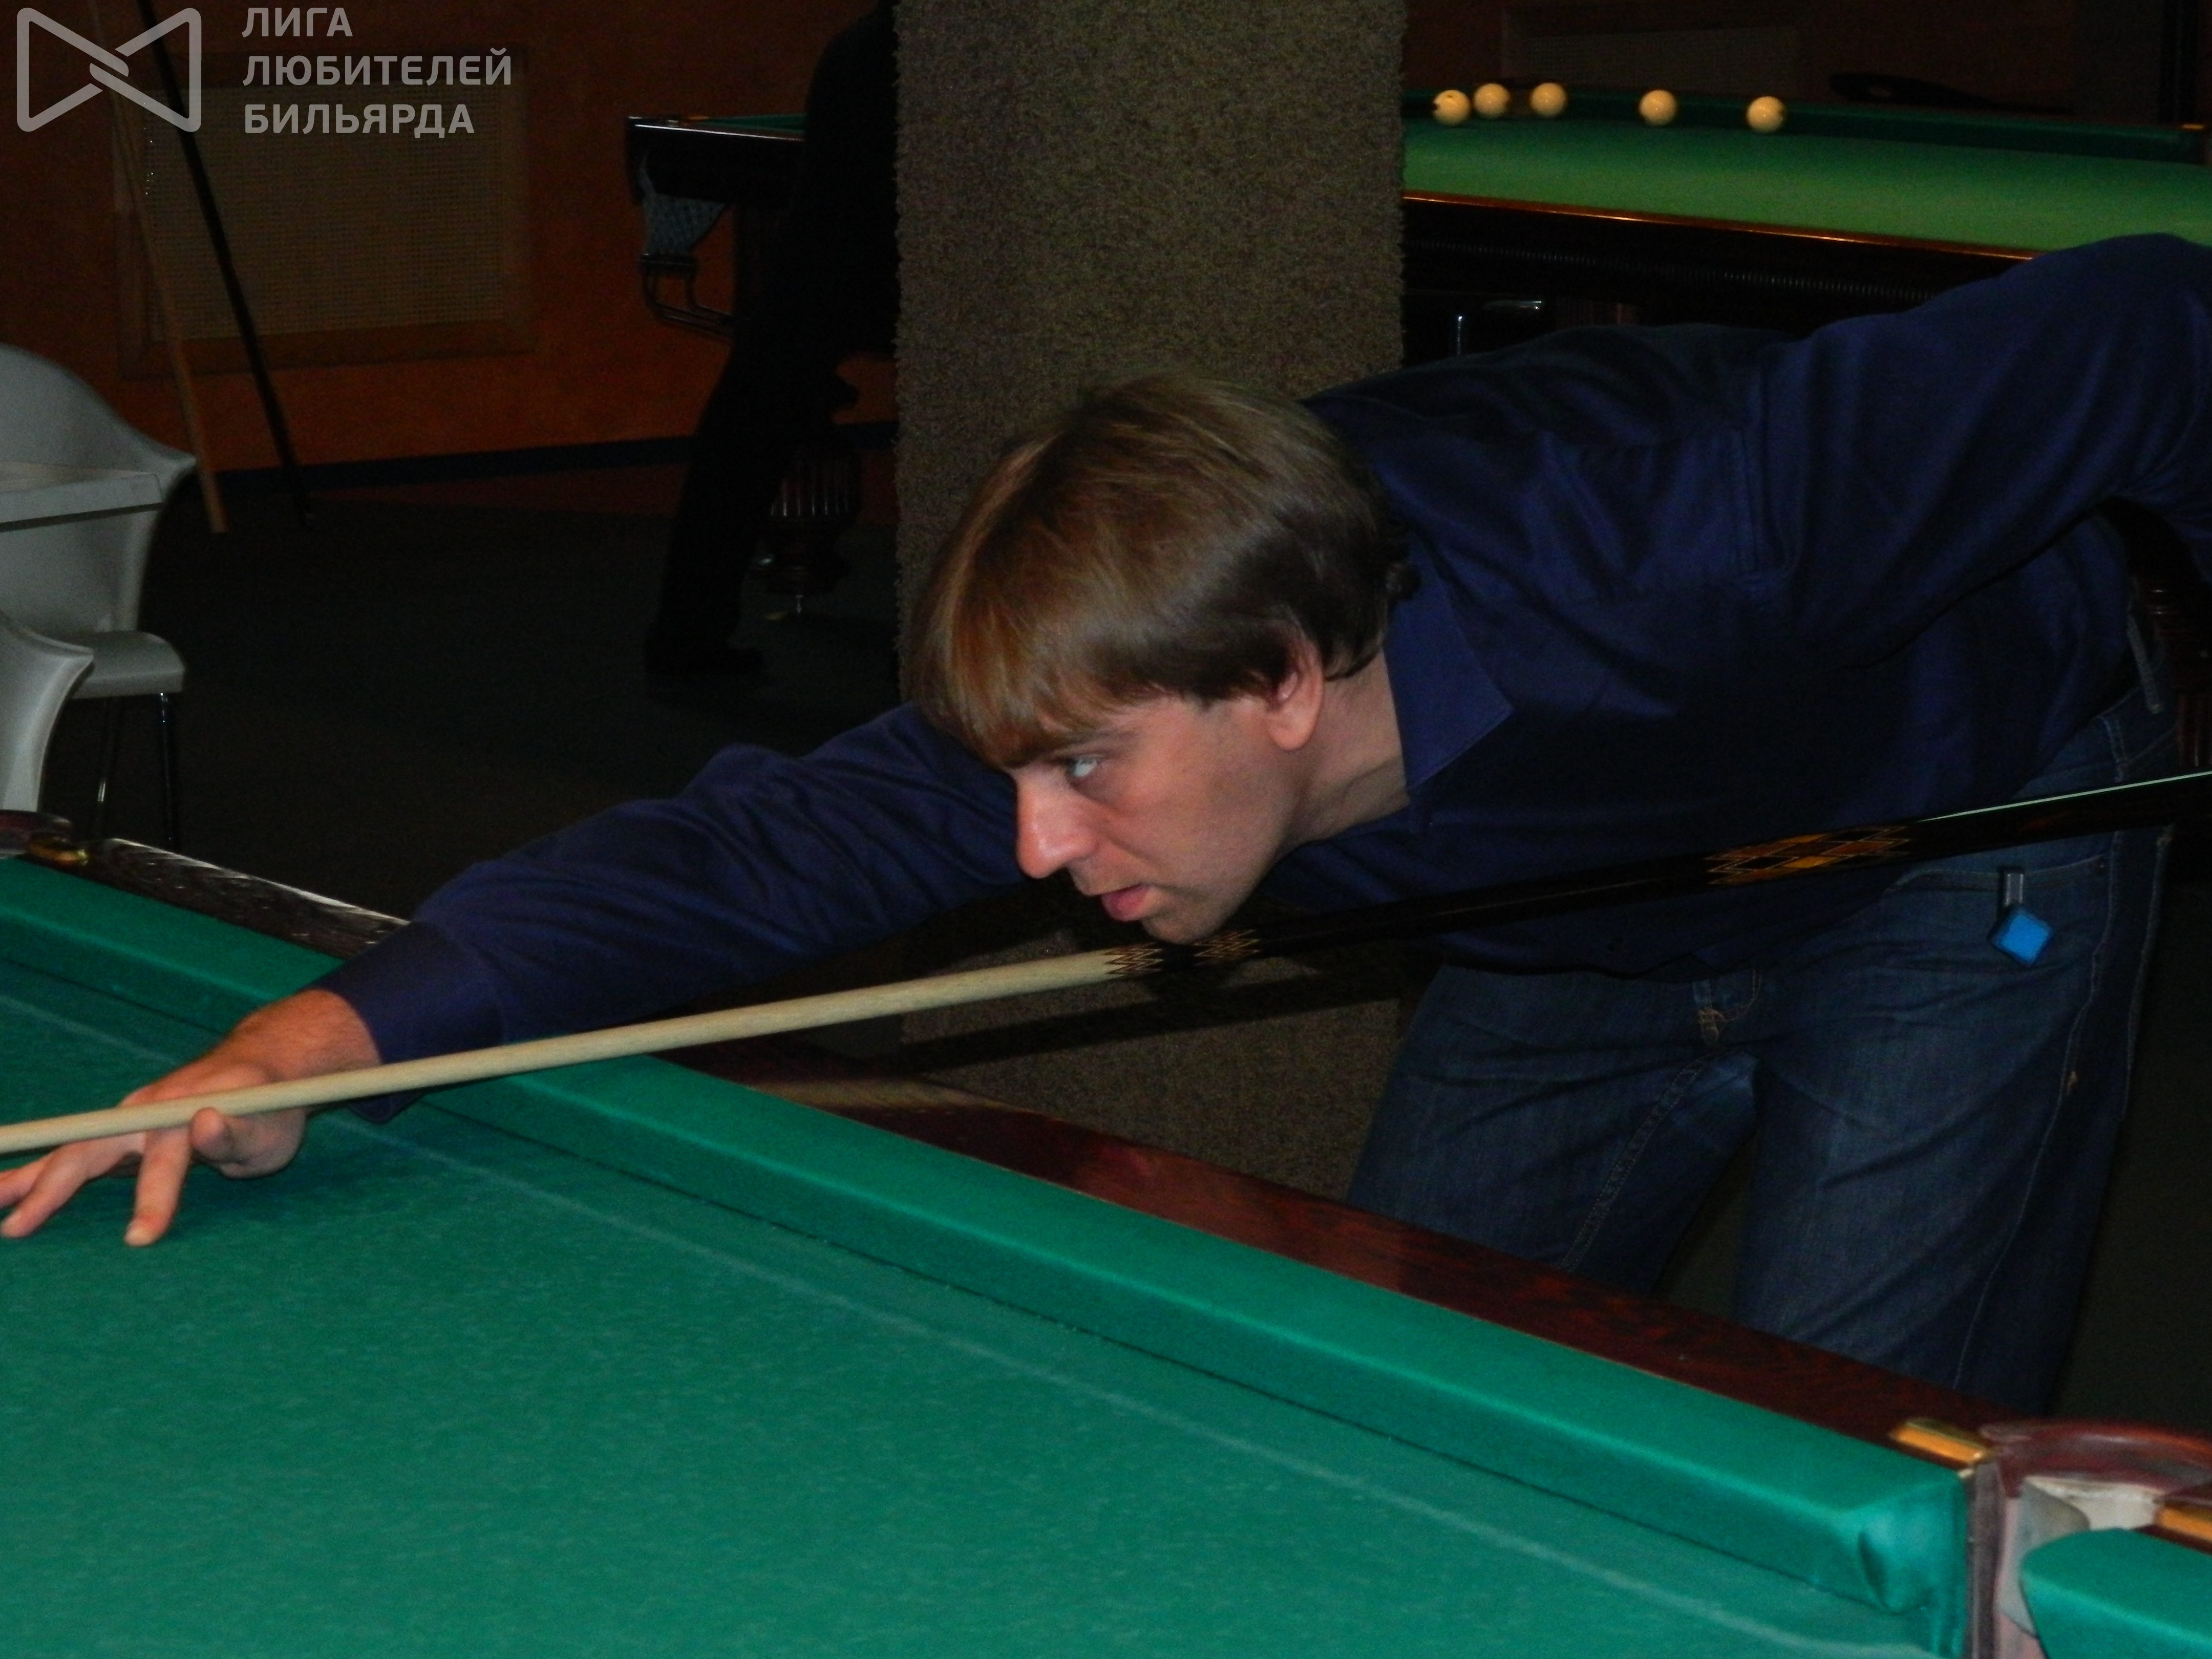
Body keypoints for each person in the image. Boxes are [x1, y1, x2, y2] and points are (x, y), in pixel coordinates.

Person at [6, 236, 2209, 1413]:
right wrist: (326, 1039)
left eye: (1088, 777)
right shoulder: (1135, 688)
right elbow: (736, 857)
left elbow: (2145, 321)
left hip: (1958, 847)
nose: (1041, 849)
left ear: (1285, 683)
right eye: (1022, 776)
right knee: (1392, 1399)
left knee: (1854, 1441)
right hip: (1573, 923)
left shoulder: (1697, 537)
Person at [643, 0, 898, 677]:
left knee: (740, 441)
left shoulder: (862, 43)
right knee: (745, 437)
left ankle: (686, 639)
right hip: (870, 268)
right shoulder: (899, 50)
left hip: (819, 267)